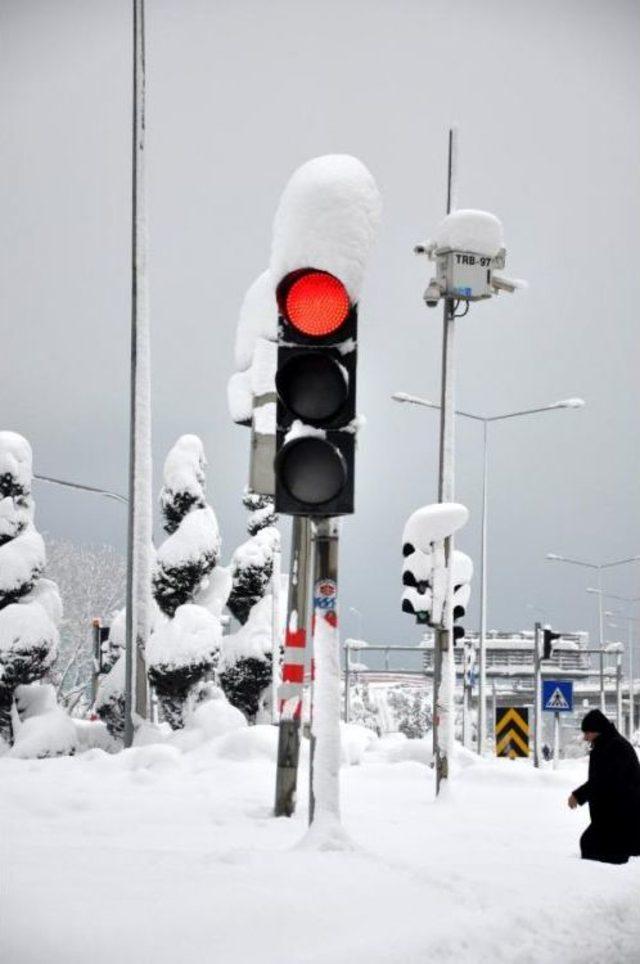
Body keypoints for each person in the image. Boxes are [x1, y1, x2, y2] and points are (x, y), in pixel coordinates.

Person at [567, 709, 640, 864]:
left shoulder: (614, 747)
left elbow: (602, 780)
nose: (585, 737)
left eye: (587, 732)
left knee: (596, 847)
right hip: (614, 813)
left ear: (597, 730)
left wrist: (578, 796)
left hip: (621, 814)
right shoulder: (607, 744)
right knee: (592, 845)